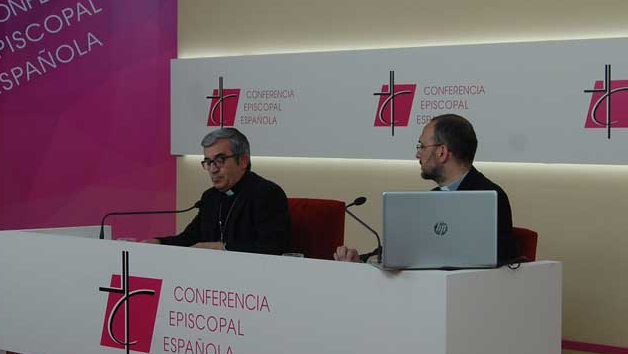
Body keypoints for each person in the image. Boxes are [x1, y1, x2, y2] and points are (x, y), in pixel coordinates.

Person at [335, 113, 518, 264]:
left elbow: (497, 259)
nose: (417, 154)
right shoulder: (430, 200)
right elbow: (400, 248)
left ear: (442, 152)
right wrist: (361, 260)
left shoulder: (491, 197)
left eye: (421, 146)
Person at [145, 127, 292, 255]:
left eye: (220, 160)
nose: (213, 169)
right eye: (208, 162)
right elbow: (189, 238)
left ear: (243, 161)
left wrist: (224, 248)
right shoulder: (210, 197)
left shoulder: (267, 194)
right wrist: (159, 243)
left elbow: (272, 248)